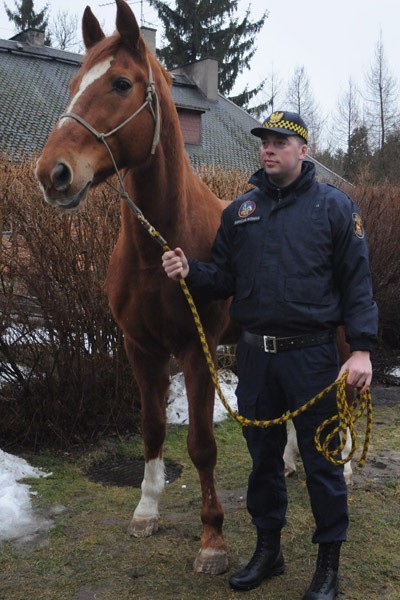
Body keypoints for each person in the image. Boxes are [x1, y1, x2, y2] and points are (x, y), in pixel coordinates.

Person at [162, 111, 378, 599]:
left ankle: (328, 566)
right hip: (256, 357)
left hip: (314, 358)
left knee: (322, 462)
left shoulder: (335, 208)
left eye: (281, 141)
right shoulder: (240, 212)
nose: (269, 148)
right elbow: (223, 280)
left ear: (304, 151)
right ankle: (268, 551)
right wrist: (188, 269)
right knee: (262, 461)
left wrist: (361, 349)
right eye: (264, 141)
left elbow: (357, 286)